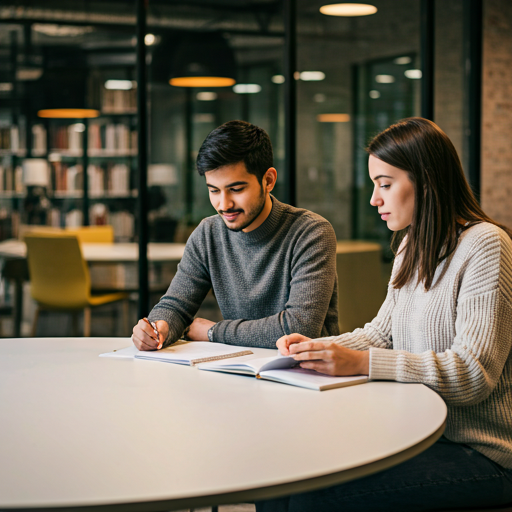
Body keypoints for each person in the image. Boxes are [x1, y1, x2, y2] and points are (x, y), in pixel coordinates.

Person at [258, 117, 512, 512]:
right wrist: (317, 348)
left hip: (482, 452)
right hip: (417, 431)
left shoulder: (485, 245)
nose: (374, 199)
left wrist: (358, 363)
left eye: (385, 184)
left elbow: (473, 374)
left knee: (314, 497)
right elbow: (381, 332)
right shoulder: (412, 245)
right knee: (283, 471)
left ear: (426, 181)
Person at [132, 120, 339, 350]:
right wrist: (158, 327)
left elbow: (299, 328)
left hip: (304, 373)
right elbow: (175, 306)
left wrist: (212, 332)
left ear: (268, 180)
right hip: (238, 369)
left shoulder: (310, 232)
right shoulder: (208, 233)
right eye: (214, 190)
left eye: (236, 189)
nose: (224, 204)